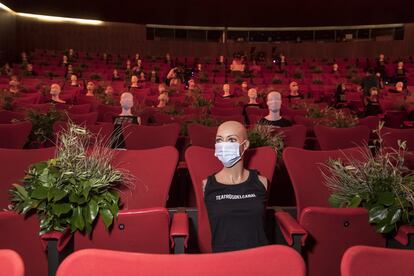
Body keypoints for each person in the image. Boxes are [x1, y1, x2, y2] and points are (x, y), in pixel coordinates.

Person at [203, 120, 269, 253]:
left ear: (245, 146)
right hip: (224, 261)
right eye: (219, 140)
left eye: (232, 140)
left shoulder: (262, 182)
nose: (224, 145)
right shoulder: (207, 185)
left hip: (260, 258)